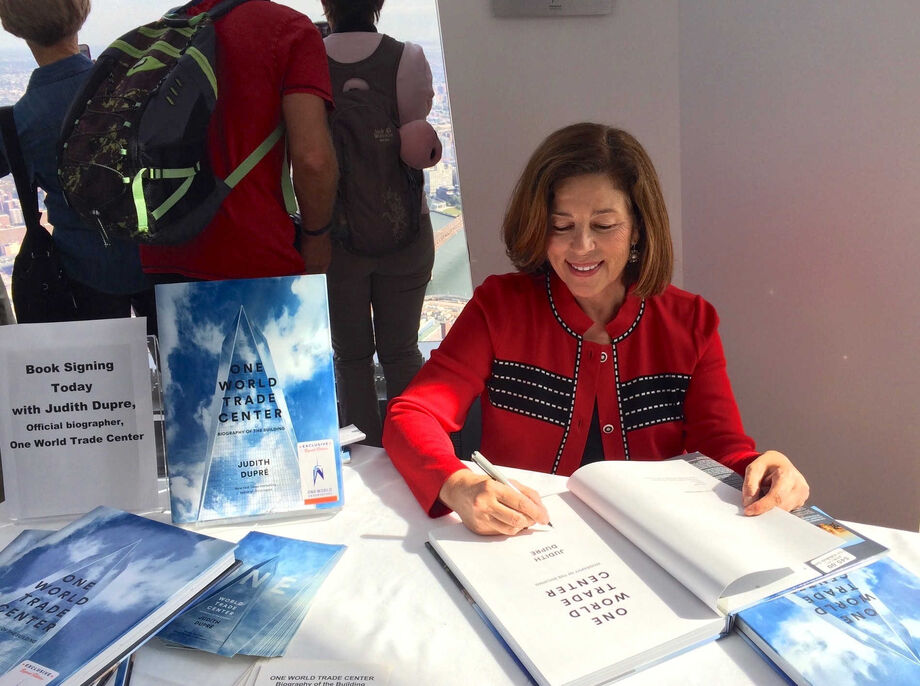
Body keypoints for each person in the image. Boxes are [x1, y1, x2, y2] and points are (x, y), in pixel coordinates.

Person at [383, 123, 810, 535]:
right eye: (561, 225)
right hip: (524, 541)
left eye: (604, 226)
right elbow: (413, 413)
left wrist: (765, 471)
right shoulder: (499, 307)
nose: (581, 246)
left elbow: (722, 449)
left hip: (653, 546)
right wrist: (457, 483)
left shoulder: (691, 322)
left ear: (638, 227)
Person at [139, 0, 338, 282]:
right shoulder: (290, 30)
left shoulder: (169, 26)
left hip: (166, 249)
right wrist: (317, 238)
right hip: (254, 255)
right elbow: (312, 160)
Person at [320, 0, 442, 446]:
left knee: (351, 358)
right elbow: (419, 138)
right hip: (405, 230)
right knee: (402, 351)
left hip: (337, 237)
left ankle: (362, 456)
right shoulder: (407, 57)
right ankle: (414, 452)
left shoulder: (309, 62)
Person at [0, 0, 155, 330]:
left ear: (11, 24)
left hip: (84, 273)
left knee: (96, 364)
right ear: (81, 10)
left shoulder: (20, 123)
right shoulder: (136, 84)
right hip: (160, 257)